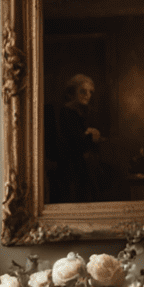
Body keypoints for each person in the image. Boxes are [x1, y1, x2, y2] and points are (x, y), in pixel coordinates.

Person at [44, 73, 101, 203]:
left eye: (90, 92)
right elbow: (74, 144)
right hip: (68, 172)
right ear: (71, 93)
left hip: (79, 170)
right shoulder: (65, 113)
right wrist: (91, 137)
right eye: (83, 91)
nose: (88, 95)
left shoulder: (79, 113)